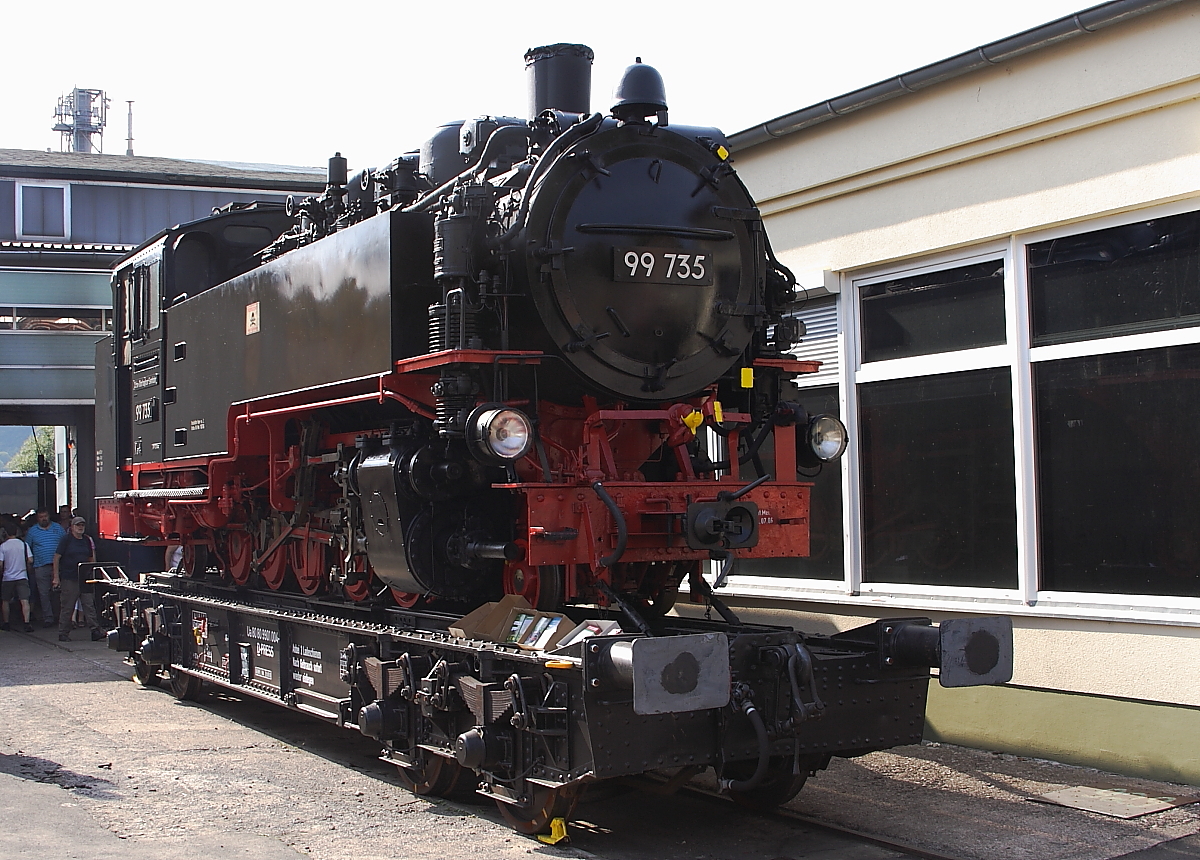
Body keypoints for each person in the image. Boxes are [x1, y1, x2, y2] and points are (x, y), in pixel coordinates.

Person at [52, 517, 102, 642]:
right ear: (72, 527)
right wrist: (56, 577)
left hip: (84, 578)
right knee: (67, 606)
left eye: (82, 525)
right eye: (78, 525)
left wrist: (92, 571)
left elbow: (91, 557)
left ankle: (95, 630)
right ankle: (63, 632)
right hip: (69, 578)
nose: (80, 527)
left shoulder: (86, 540)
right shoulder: (66, 540)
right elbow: (57, 557)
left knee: (89, 605)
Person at [24, 508, 65, 628]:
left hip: (58, 566)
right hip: (40, 566)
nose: (44, 519)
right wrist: (29, 565)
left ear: (49, 516)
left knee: (58, 592)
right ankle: (48, 618)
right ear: (37, 518)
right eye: (41, 517)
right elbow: (27, 548)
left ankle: (60, 617)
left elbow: (65, 543)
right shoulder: (32, 531)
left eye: (45, 516)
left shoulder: (58, 528)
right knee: (43, 593)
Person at [0, 528, 34, 632]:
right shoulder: (23, 545)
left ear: (5, 533)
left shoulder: (3, 546)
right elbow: (30, 559)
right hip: (22, 576)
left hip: (8, 577)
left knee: (5, 601)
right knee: (24, 600)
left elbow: (0, 563)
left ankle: (6, 623)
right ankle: (27, 622)